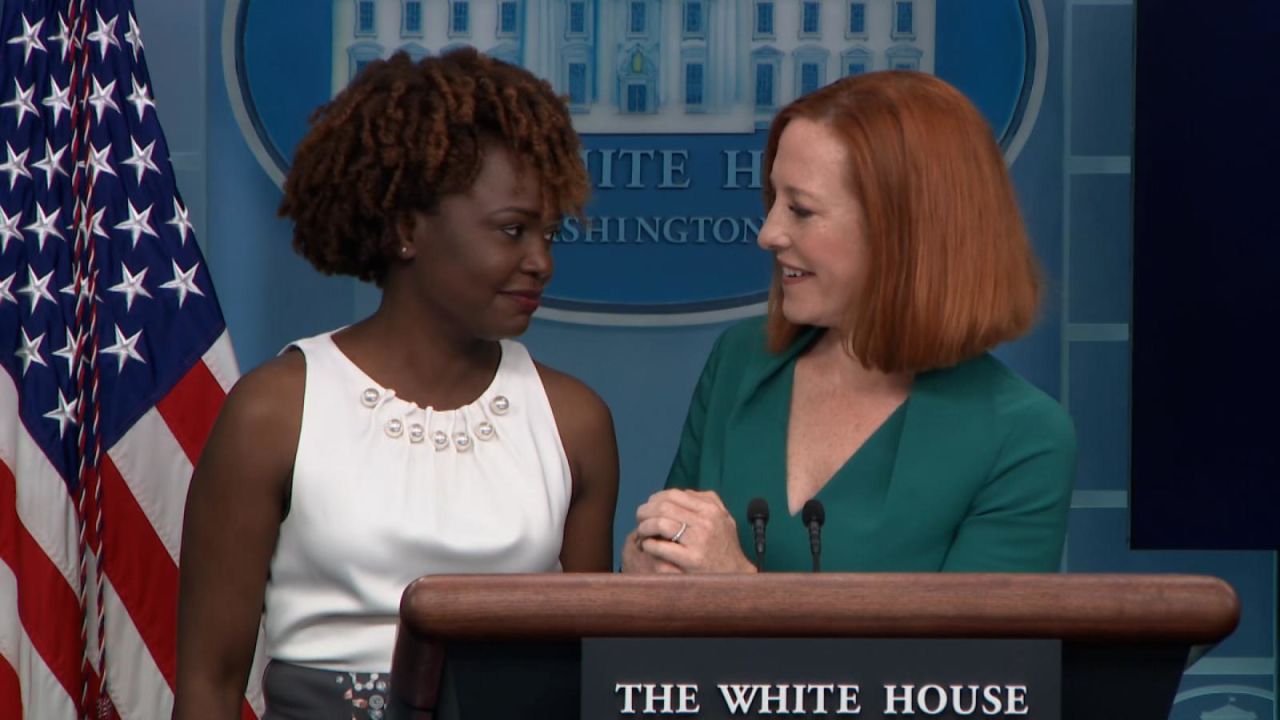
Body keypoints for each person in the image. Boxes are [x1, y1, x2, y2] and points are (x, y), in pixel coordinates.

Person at [174, 48, 618, 719]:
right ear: (408, 228)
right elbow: (209, 684)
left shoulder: (574, 421)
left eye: (548, 232)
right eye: (512, 230)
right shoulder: (275, 412)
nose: (541, 261)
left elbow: (587, 681)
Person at [623, 71, 1075, 575]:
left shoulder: (1023, 438)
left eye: (800, 209)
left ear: (904, 231)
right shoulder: (739, 362)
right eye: (773, 201)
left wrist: (740, 592)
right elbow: (669, 577)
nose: (768, 233)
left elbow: (974, 655)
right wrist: (647, 566)